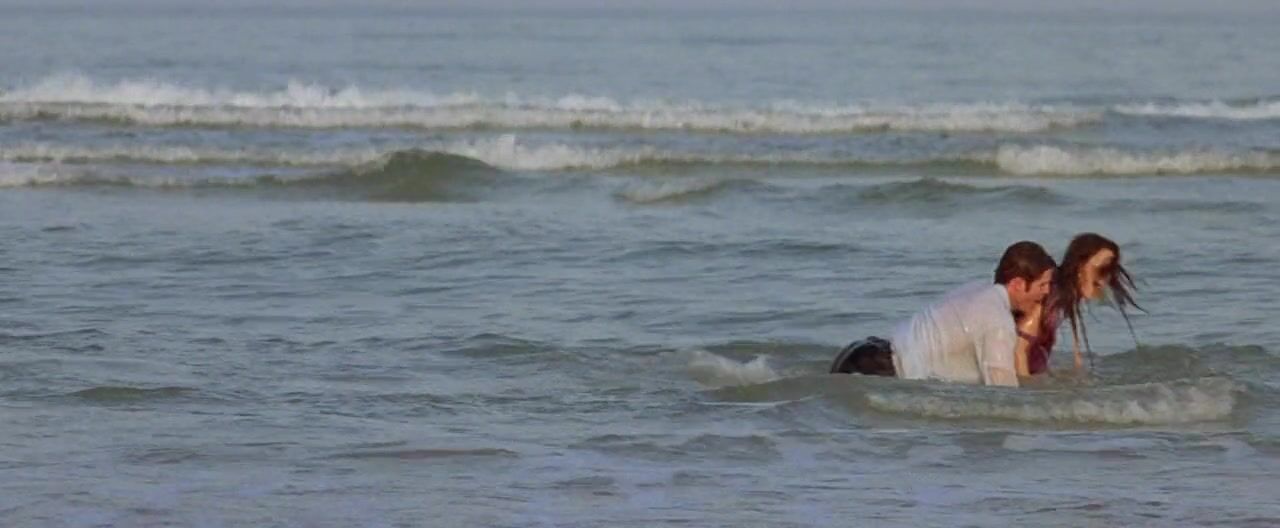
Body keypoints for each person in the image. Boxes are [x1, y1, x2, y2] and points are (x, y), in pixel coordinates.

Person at [831, 241, 1056, 387]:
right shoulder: (998, 320)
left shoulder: (978, 290)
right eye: (1042, 285)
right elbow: (1003, 393)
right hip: (879, 372)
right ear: (1017, 284)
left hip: (863, 354)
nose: (1046, 292)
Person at [1016, 233, 1142, 376]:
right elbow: (1020, 347)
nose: (1103, 281)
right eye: (1101, 270)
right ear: (1080, 266)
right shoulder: (1051, 294)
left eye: (1109, 271)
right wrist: (1025, 386)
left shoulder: (1064, 295)